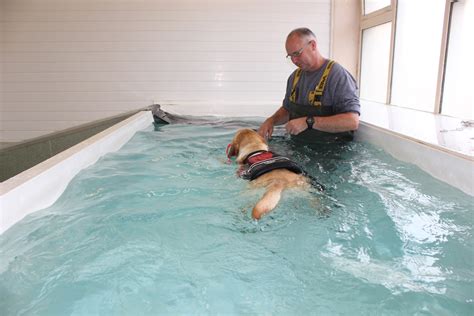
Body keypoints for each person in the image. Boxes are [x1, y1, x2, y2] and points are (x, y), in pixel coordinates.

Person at [258, 28, 360, 142]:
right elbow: (287, 110)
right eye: (290, 56)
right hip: (299, 147)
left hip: (332, 152)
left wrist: (308, 122)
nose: (294, 60)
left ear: (313, 45)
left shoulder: (338, 76)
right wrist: (271, 121)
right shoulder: (294, 78)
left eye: (297, 54)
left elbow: (352, 122)